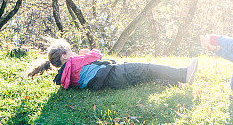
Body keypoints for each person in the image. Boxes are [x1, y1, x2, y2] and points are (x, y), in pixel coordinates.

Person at [26, 38, 199, 89]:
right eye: (70, 50)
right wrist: (85, 52)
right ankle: (184, 74)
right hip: (115, 73)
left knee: (143, 76)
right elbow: (97, 55)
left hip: (110, 82)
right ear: (64, 56)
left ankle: (171, 82)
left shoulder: (66, 77)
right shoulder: (74, 60)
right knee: (147, 68)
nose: (72, 52)